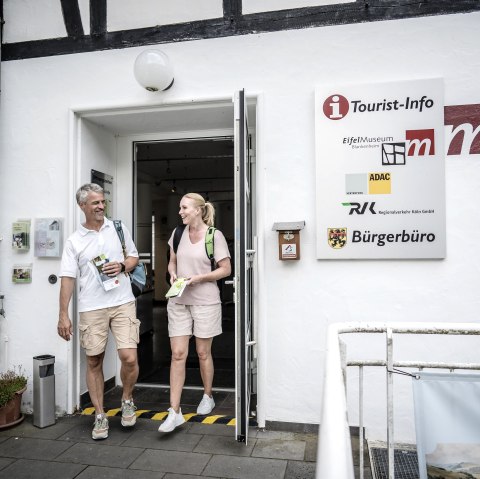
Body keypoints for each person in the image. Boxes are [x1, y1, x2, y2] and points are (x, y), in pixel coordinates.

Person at [57, 183, 141, 440]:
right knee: (94, 360)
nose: (101, 206)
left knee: (129, 357)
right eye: (95, 203)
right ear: (82, 206)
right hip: (91, 308)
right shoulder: (74, 241)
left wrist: (123, 266)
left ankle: (127, 399)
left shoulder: (118, 228)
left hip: (123, 301)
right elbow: (68, 279)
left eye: (103, 202)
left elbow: (134, 257)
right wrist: (63, 314)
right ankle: (100, 415)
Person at [159, 193, 232, 433]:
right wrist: (171, 273)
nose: (180, 212)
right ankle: (175, 411)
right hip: (179, 300)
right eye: (180, 208)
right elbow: (172, 261)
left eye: (184, 208)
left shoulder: (214, 236)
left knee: (202, 353)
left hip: (206, 302)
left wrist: (199, 278)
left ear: (198, 210)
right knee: (178, 354)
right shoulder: (177, 233)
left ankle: (208, 395)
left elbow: (225, 269)